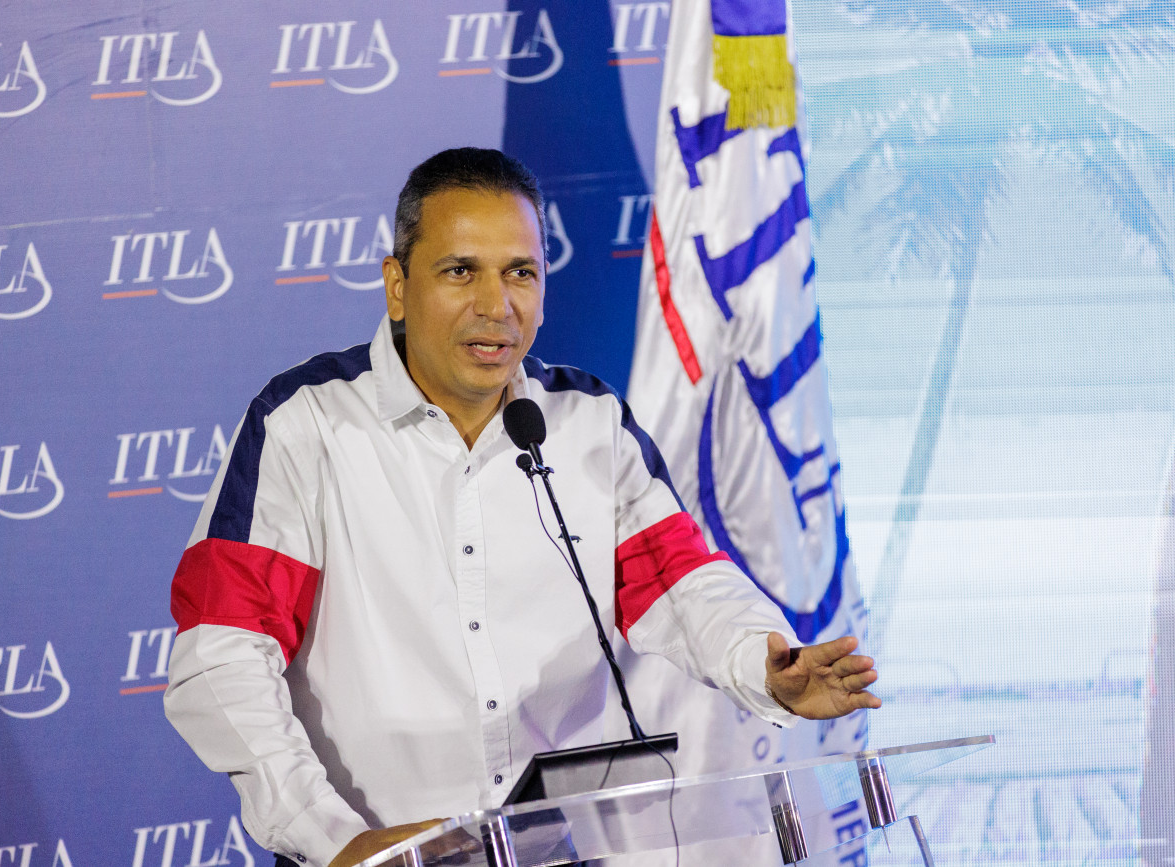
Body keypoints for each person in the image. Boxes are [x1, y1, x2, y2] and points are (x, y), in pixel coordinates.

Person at [163, 148, 880, 867]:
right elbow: (221, 653)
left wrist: (768, 664)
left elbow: (682, 585)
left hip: (551, 850)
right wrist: (334, 838)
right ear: (397, 287)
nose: (496, 305)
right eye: (460, 271)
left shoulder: (587, 422)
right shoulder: (306, 424)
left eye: (520, 273)